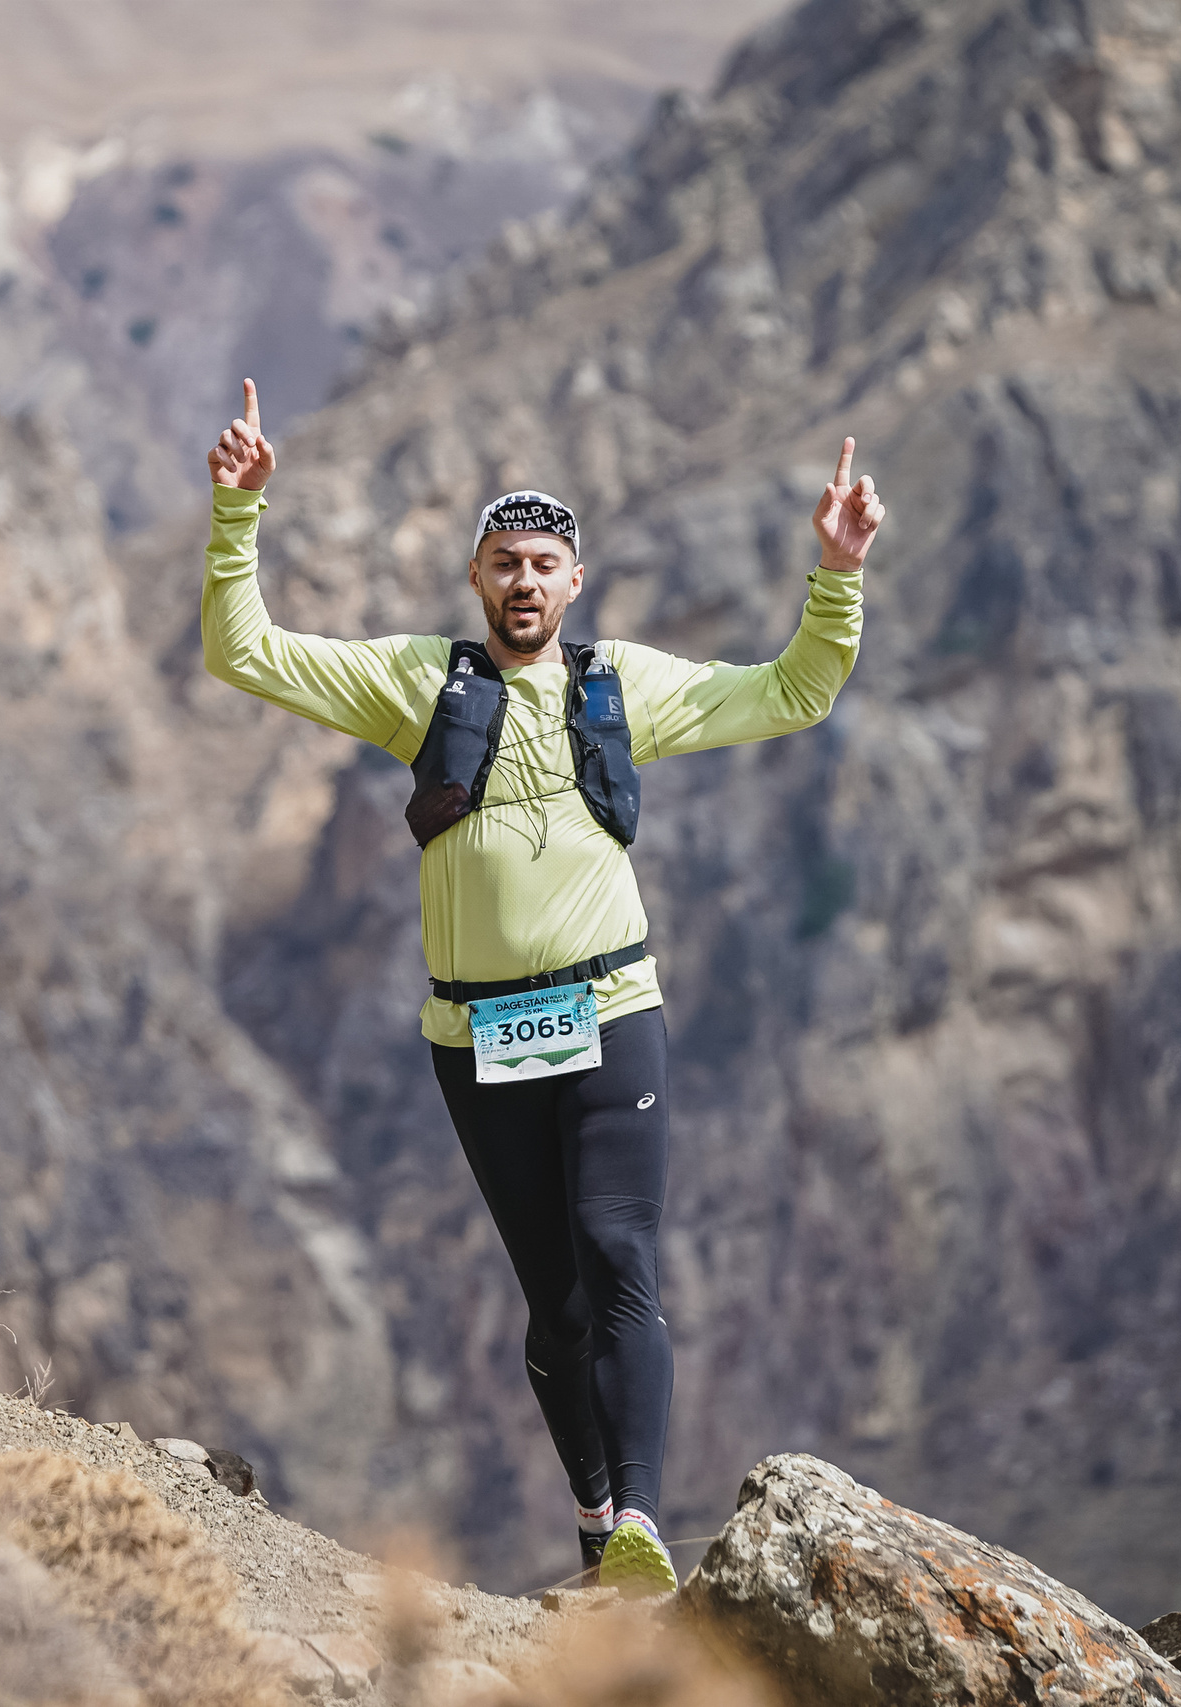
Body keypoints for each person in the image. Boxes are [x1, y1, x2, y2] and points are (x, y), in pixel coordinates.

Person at [199, 378, 884, 1594]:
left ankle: (640, 1531)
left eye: (545, 564)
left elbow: (793, 690)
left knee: (620, 1255)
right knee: (556, 1300)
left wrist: (835, 575)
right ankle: (592, 1512)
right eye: (504, 562)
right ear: (477, 579)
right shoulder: (423, 683)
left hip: (612, 1013)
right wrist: (237, 516)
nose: (524, 582)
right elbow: (243, 653)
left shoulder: (619, 688)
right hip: (478, 1036)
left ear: (575, 584)